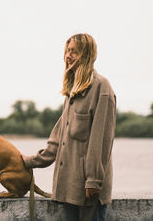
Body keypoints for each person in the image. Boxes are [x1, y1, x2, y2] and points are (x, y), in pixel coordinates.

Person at [22, 34, 116, 221]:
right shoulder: (73, 91)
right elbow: (59, 139)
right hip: (69, 188)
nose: (68, 56)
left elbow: (101, 140)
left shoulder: (101, 87)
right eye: (67, 51)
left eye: (74, 51)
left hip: (89, 190)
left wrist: (94, 181)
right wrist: (29, 161)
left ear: (87, 54)